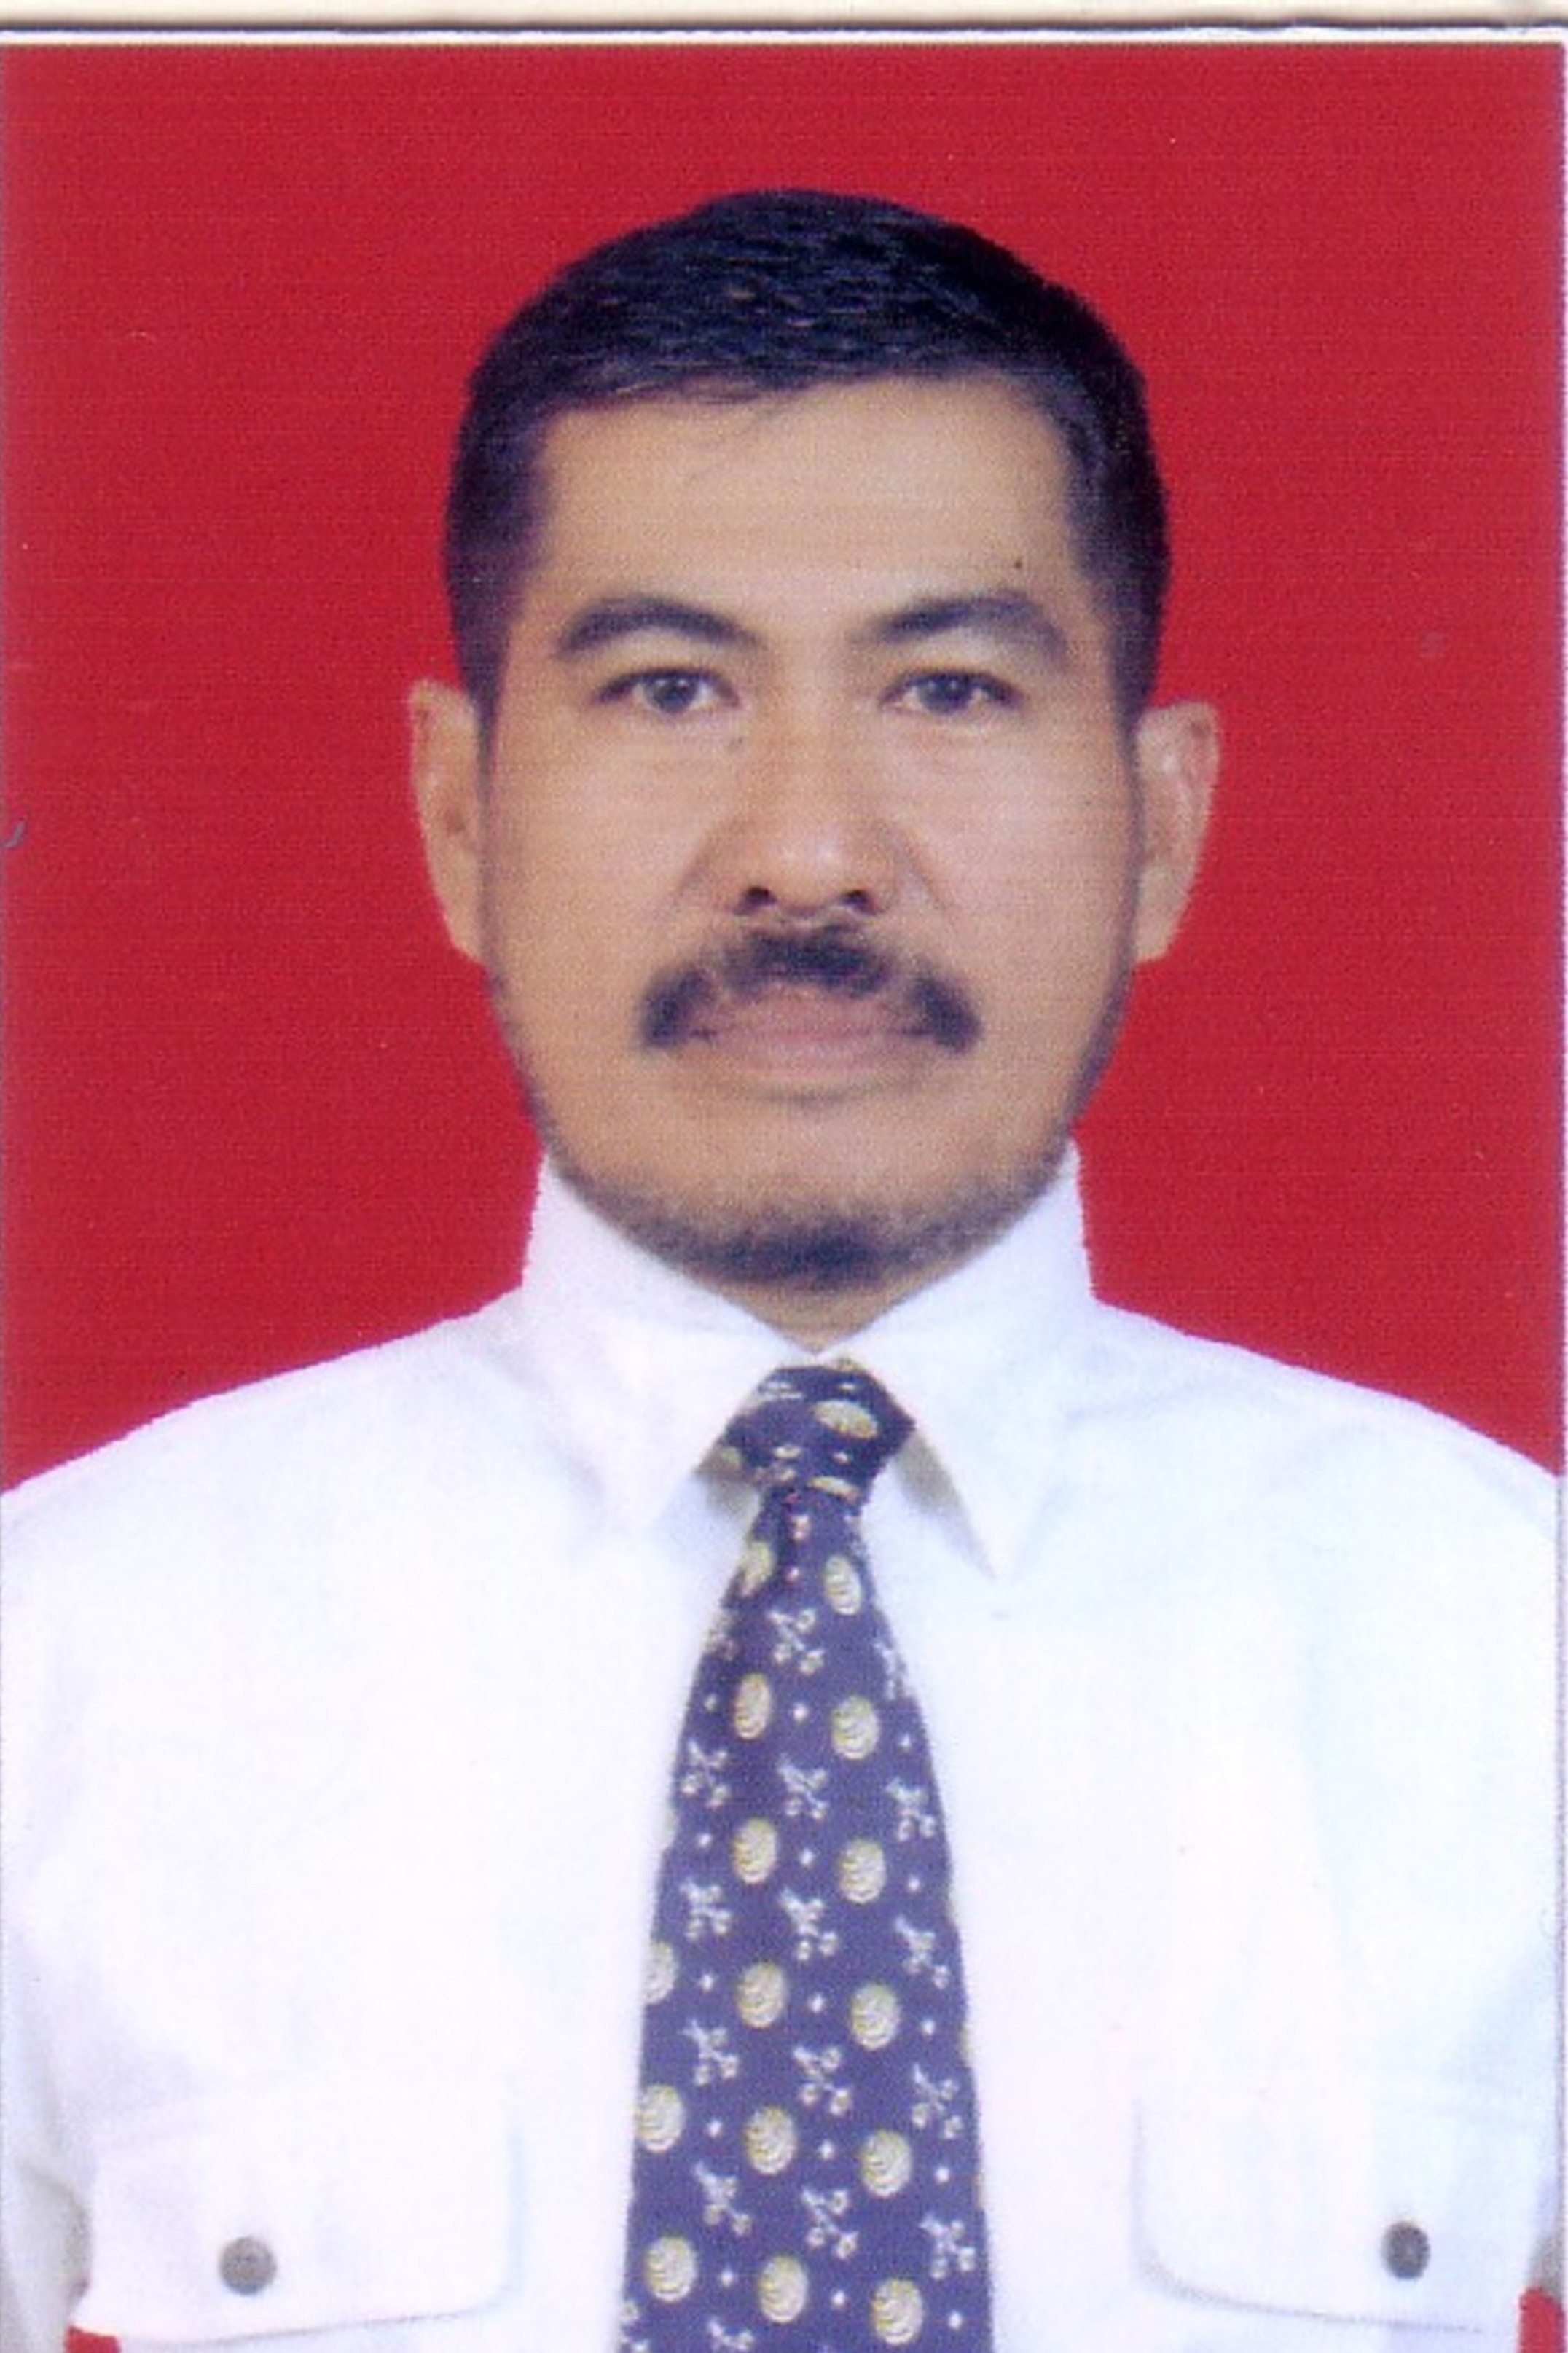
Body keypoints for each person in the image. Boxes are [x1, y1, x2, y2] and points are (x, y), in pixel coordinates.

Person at [1, 190, 1555, 2353]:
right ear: (459, 815)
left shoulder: (1511, 1652)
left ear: (1163, 822)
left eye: (949, 688)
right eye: (669, 689)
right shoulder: (63, 1658)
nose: (808, 853)